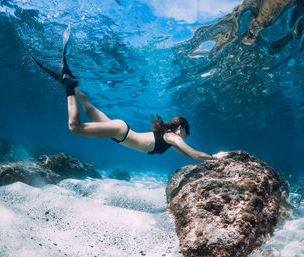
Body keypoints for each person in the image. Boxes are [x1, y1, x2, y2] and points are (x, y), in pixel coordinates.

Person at [33, 26, 213, 160]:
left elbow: (188, 155)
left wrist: (206, 157)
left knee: (88, 108)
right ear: (181, 128)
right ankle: (68, 85)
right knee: (74, 127)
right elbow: (194, 153)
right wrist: (215, 157)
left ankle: (70, 81)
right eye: (186, 135)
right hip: (121, 132)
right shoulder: (172, 136)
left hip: (119, 132)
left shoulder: (170, 140)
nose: (184, 138)